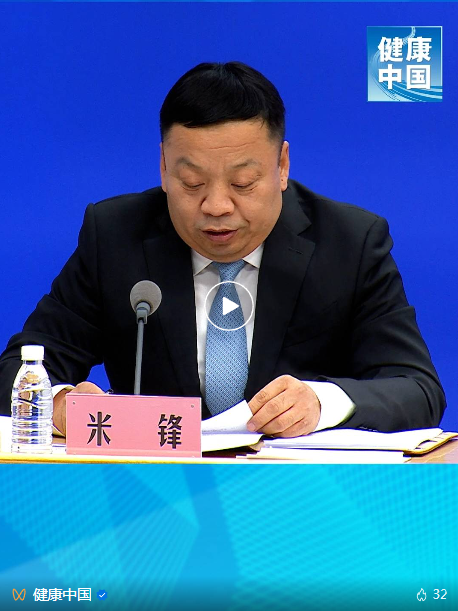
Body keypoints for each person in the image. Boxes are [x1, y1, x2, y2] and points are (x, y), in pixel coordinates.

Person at [0, 62, 446, 436]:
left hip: (303, 497)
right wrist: (58, 405)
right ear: (163, 167)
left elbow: (417, 388)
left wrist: (321, 402)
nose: (216, 206)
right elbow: (17, 370)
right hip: (153, 491)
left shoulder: (349, 242)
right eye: (192, 182)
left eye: (243, 183)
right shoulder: (116, 236)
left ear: (282, 166)